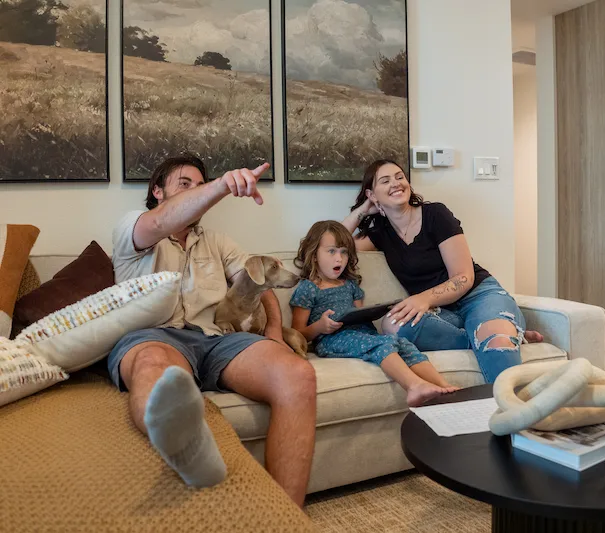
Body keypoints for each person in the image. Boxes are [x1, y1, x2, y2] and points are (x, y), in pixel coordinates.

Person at [108, 154, 315, 507]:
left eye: (199, 184)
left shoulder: (218, 241)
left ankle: (287, 519)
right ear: (157, 191)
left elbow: (256, 281)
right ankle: (194, 456)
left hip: (218, 340)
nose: (195, 191)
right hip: (154, 336)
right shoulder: (135, 228)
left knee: (297, 375)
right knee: (153, 367)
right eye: (184, 184)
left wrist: (275, 335)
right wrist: (221, 185)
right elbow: (161, 221)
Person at [342, 159, 543, 384]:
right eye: (385, 181)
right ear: (372, 194)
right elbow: (334, 245)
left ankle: (512, 412)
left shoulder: (435, 214)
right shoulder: (380, 233)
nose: (396, 183)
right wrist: (363, 210)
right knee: (393, 324)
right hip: (442, 313)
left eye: (400, 177)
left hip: (478, 296)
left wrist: (422, 299)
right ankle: (494, 332)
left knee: (496, 342)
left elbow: (464, 277)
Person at [290, 221, 458, 407]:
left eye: (344, 252)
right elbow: (297, 334)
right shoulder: (308, 288)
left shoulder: (350, 284)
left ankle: (443, 386)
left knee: (403, 343)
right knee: (383, 343)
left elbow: (358, 313)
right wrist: (320, 326)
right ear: (314, 255)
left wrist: (374, 312)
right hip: (332, 340)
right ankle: (414, 386)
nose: (339, 259)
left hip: (363, 333)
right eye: (332, 251)